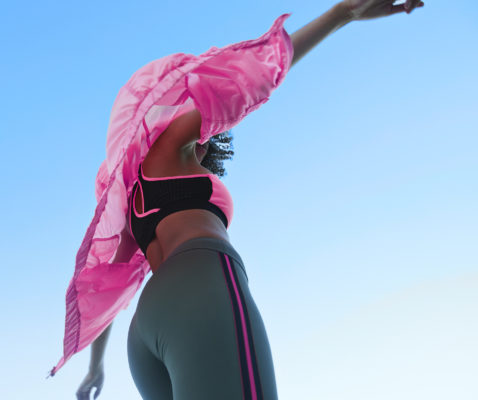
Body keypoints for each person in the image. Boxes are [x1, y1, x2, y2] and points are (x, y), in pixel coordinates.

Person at [63, 1, 425, 399]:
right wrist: (342, 14)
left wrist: (96, 367)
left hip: (143, 336)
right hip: (198, 288)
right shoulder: (174, 144)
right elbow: (249, 84)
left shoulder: (134, 204)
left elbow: (107, 290)